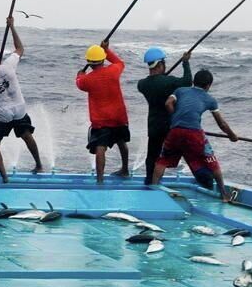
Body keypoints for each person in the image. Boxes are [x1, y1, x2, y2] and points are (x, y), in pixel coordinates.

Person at [148, 69, 239, 201]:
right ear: (208, 86)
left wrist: (175, 119)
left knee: (162, 161)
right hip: (194, 133)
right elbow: (222, 124)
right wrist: (232, 136)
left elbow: (168, 103)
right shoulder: (210, 100)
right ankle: (224, 194)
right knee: (212, 161)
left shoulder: (180, 90)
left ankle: (153, 189)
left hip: (175, 130)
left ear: (192, 82)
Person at [0, 17, 43, 182]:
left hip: (3, 114)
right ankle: (39, 165)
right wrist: (12, 27)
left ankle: (5, 177)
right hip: (20, 109)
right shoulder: (9, 65)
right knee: (27, 135)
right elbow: (20, 48)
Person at [136, 47, 192, 186]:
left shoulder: (142, 84)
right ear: (160, 65)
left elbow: (155, 82)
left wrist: (162, 78)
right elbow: (187, 82)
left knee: (152, 155)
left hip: (154, 125)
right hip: (169, 124)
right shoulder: (169, 82)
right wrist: (185, 63)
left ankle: (150, 180)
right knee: (181, 151)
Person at [76, 41, 130, 183]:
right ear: (102, 59)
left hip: (101, 121)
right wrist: (107, 50)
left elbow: (79, 83)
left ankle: (100, 180)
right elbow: (120, 62)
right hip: (119, 117)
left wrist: (80, 74)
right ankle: (125, 169)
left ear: (89, 62)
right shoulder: (113, 71)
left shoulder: (87, 80)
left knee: (101, 147)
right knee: (121, 141)